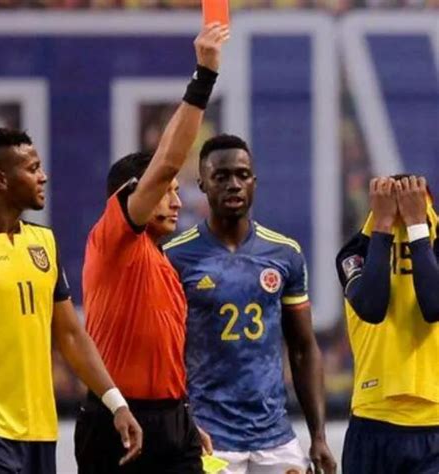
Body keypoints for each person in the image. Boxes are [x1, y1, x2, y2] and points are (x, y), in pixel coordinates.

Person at [75, 23, 229, 474]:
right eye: (167, 191)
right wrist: (204, 76)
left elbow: (162, 358)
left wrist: (184, 417)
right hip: (117, 419)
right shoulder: (113, 240)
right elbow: (164, 165)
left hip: (174, 421)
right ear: (131, 192)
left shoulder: (163, 263)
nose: (177, 199)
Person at [0, 128, 142, 474]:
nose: (43, 176)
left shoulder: (43, 242)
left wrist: (116, 403)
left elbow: (71, 336)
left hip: (39, 431)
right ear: (1, 179)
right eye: (32, 169)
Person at [165, 134, 337, 474]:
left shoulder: (285, 254)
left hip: (276, 439)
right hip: (209, 438)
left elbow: (303, 348)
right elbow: (166, 351)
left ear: (254, 182)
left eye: (242, 175)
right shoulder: (175, 257)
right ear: (202, 184)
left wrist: (319, 436)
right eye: (221, 176)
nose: (234, 185)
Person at [336, 175, 439, 473]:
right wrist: (381, 227)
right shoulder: (354, 252)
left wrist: (417, 228)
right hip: (372, 419)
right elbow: (371, 306)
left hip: (433, 422)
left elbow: (434, 305)